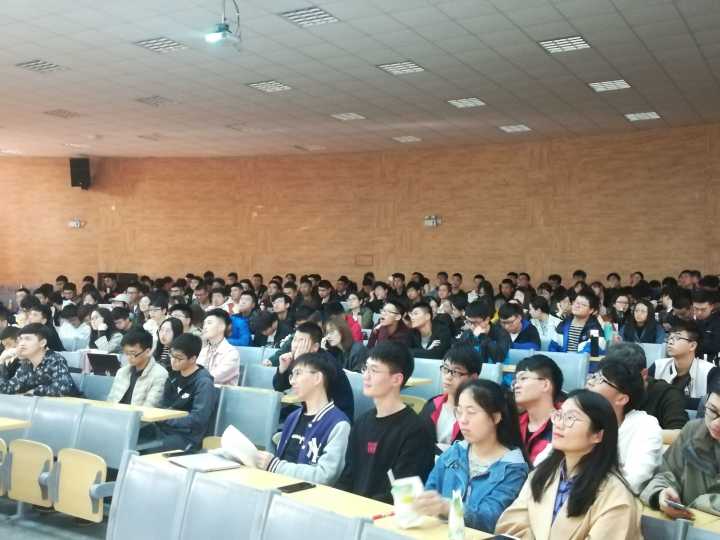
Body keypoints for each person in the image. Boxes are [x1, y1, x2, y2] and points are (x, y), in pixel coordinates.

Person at [495, 389, 642, 539]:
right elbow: (510, 525)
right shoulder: (542, 474)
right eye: (559, 415)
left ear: (597, 435)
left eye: (571, 418)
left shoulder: (616, 497)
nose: (558, 424)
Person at [414, 378, 528, 532]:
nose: (462, 420)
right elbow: (430, 493)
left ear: (495, 417)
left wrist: (448, 507)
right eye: (459, 411)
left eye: (471, 412)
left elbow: (490, 520)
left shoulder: (513, 469)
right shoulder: (454, 453)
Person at [337, 342, 435, 502]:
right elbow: (347, 477)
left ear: (396, 379)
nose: (366, 376)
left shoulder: (416, 431)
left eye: (374, 370)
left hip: (386, 514)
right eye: (365, 368)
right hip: (353, 510)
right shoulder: (361, 423)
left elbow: (402, 495)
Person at [254, 352, 351, 485]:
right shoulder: (292, 418)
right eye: (291, 375)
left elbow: (324, 476)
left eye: (298, 373)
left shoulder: (339, 425)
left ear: (317, 378)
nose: (292, 381)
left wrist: (275, 466)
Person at [641, 372, 720, 519]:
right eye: (713, 411)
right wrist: (661, 494)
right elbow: (666, 474)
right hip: (687, 524)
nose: (716, 423)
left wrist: (704, 503)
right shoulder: (693, 431)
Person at [586, 358, 663, 493]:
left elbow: (634, 480)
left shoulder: (644, 426)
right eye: (593, 376)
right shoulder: (578, 416)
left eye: (599, 379)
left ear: (621, 399)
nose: (589, 382)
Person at [143, 333, 219, 451]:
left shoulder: (204, 383)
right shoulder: (172, 376)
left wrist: (167, 419)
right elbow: (164, 406)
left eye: (179, 358)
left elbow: (198, 419)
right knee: (131, 436)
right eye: (172, 355)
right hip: (164, 429)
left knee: (145, 448)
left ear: (193, 359)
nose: (173, 361)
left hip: (187, 437)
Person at [273, 322, 354, 420]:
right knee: (278, 413)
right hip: (313, 409)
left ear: (315, 347)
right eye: (294, 340)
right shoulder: (301, 358)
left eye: (302, 341)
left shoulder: (325, 363)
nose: (295, 345)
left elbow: (309, 389)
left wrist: (299, 362)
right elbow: (278, 387)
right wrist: (282, 369)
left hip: (335, 416)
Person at [607, 342, 688, 432]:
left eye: (624, 377)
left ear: (644, 374)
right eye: (611, 376)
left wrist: (635, 435)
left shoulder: (668, 394)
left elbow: (679, 433)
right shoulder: (606, 389)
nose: (616, 382)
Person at [420, 345, 481, 450]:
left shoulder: (479, 413)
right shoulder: (432, 405)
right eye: (445, 369)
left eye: (456, 372)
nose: (448, 377)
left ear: (473, 378)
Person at [0, 323, 80, 396]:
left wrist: (34, 391)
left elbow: (63, 387)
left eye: (28, 339)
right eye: (20, 339)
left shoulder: (55, 360)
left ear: (42, 343)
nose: (22, 343)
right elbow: (7, 388)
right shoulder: (26, 365)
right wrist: (1, 361)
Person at [650, 320, 714, 409]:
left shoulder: (709, 371)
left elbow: (711, 403)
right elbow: (645, 395)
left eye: (677, 338)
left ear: (692, 346)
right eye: (669, 337)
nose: (670, 342)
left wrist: (665, 400)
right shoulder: (658, 366)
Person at [514, 354, 564, 464]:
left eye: (523, 378)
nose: (516, 385)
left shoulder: (565, 426)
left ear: (545, 385)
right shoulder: (513, 424)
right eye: (516, 381)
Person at [107, 328, 168, 407]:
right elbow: (110, 401)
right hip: (116, 413)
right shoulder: (122, 372)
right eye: (126, 353)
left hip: (138, 414)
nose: (128, 357)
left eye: (133, 353)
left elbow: (151, 406)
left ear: (147, 352)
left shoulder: (160, 375)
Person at [549, 290, 605, 354]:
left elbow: (591, 352)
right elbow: (552, 348)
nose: (577, 306)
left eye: (583, 305)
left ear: (591, 310)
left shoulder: (595, 329)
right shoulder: (563, 324)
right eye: (576, 302)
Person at [455, 299, 511, 364]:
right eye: (468, 322)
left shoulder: (502, 334)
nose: (472, 326)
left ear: (487, 320)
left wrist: (482, 337)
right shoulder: (467, 334)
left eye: (475, 322)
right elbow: (459, 355)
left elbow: (499, 358)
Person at [197, 308, 240, 385]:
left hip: (221, 392)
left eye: (209, 323)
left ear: (222, 327)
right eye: (204, 324)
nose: (205, 327)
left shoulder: (231, 353)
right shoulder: (204, 350)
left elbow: (213, 377)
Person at [692, 289, 720, 362]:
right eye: (696, 308)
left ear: (711, 307)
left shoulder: (717, 323)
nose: (699, 312)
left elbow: (714, 346)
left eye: (703, 309)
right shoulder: (690, 321)